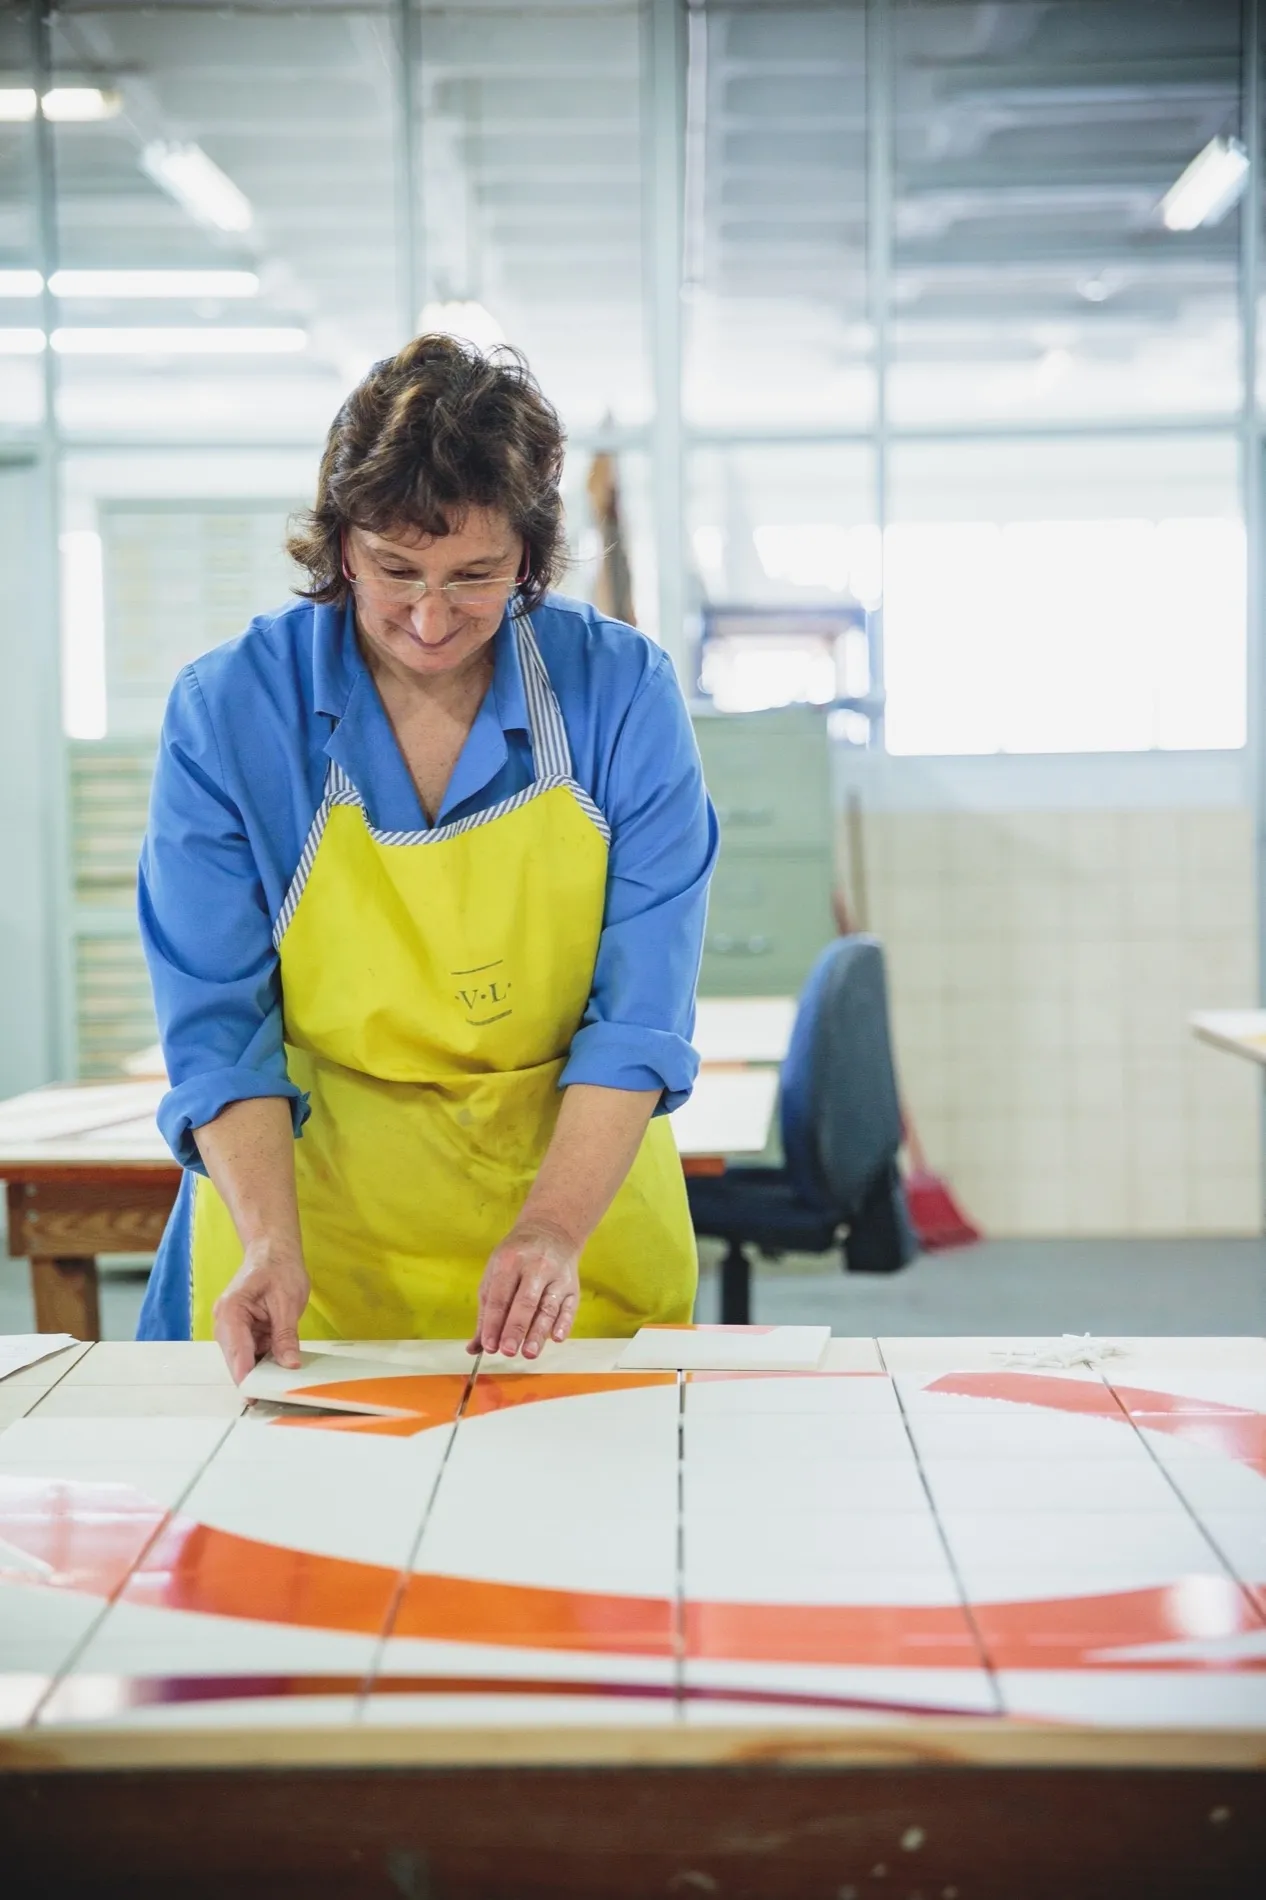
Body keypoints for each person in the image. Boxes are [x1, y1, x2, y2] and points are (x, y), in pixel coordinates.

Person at [136, 334, 718, 1381]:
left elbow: (640, 1016)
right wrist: (269, 1241)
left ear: (531, 559)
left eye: (477, 576)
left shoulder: (620, 696)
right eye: (395, 570)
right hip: (312, 1241)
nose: (430, 616)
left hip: (568, 1240)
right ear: (341, 544)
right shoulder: (232, 712)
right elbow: (218, 1027)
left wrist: (550, 1231)